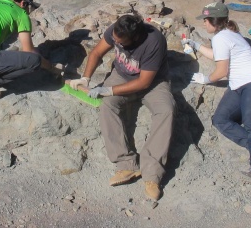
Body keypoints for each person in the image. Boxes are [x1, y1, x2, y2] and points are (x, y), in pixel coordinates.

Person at [70, 13, 175, 201]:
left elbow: (144, 82)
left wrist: (109, 90)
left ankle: (152, 175)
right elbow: (96, 53)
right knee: (107, 106)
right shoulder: (118, 29)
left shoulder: (153, 42)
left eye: (121, 43)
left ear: (135, 37)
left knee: (166, 110)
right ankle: (126, 165)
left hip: (153, 83)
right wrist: (85, 78)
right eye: (115, 40)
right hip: (122, 75)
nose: (116, 43)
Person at [185, 2, 251, 186]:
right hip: (239, 83)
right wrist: (196, 45)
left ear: (214, 21)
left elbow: (221, 70)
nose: (204, 24)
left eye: (206, 20)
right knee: (220, 120)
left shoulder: (222, 37)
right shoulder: (227, 35)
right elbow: (218, 55)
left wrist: (206, 79)